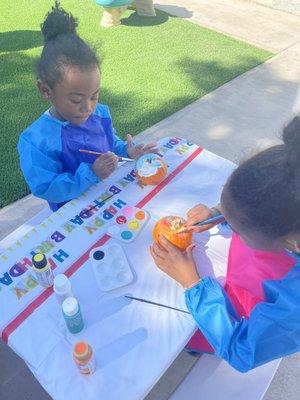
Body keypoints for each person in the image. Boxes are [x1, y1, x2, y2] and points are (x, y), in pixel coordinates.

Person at [150, 116, 300, 372]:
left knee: (181, 328)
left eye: (235, 223)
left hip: (238, 320)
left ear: (285, 239)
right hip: (236, 284)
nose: (226, 222)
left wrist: (192, 284)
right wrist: (216, 213)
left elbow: (241, 349)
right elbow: (256, 210)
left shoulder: (294, 309)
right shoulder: (283, 204)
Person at [18, 2, 157, 211]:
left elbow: (110, 146)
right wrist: (91, 174)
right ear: (46, 90)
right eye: (76, 100)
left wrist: (127, 150)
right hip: (72, 215)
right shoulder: (36, 140)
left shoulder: (100, 113)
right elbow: (45, 187)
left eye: (94, 95)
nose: (88, 107)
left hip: (111, 199)